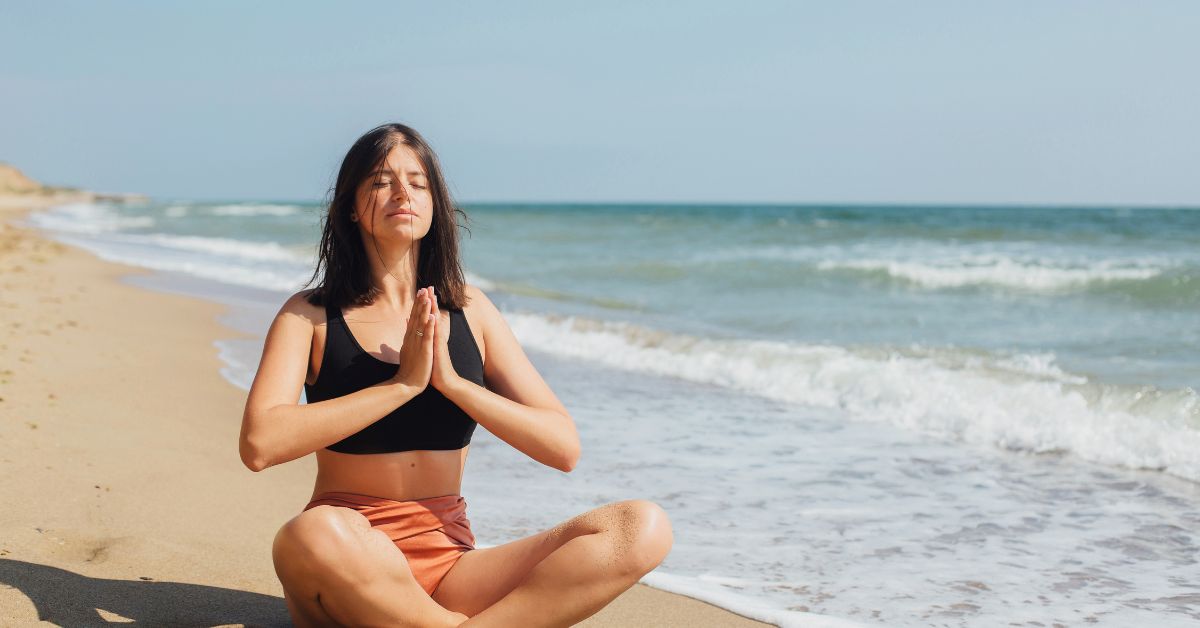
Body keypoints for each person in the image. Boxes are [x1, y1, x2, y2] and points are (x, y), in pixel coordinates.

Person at [238, 122, 673, 627]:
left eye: (418, 182)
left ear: (434, 204)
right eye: (381, 181)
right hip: (350, 559)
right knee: (307, 535)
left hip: (453, 566)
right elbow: (259, 444)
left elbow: (563, 447)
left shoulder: (472, 312)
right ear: (351, 207)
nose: (402, 191)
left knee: (641, 527)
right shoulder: (310, 316)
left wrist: (454, 384)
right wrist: (401, 386)